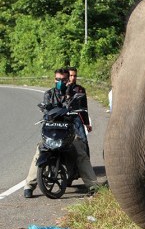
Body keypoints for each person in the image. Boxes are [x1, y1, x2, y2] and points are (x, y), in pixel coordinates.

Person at [24, 68, 98, 198]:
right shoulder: (49, 94)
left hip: (69, 130)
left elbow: (80, 109)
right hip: (53, 130)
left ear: (67, 79)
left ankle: (93, 186)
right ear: (54, 79)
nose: (60, 82)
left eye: (63, 80)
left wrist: (69, 97)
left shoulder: (75, 93)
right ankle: (29, 185)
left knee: (80, 151)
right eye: (58, 79)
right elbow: (47, 109)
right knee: (40, 149)